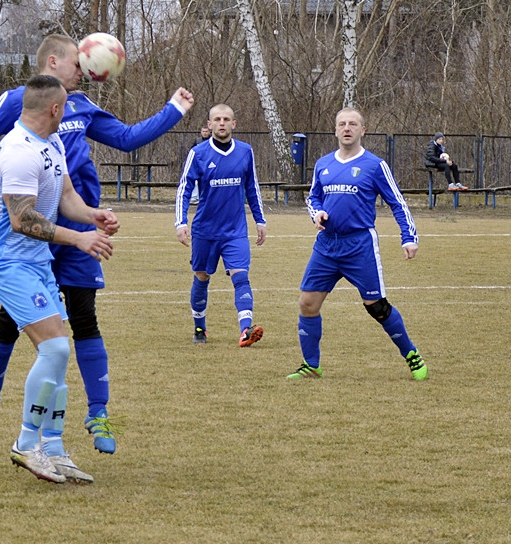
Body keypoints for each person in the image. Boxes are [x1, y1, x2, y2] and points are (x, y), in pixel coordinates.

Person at [0, 34, 194, 455]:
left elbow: (126, 138)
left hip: (76, 227)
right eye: (79, 62)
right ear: (53, 62)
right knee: (12, 323)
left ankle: (95, 413)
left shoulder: (79, 108)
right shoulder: (21, 102)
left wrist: (173, 110)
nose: (86, 70)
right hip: (29, 235)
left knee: (83, 319)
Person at [0, 74, 119, 482]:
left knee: (58, 356)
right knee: (56, 348)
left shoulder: (52, 142)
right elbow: (22, 219)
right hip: (8, 263)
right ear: (55, 109)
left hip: (37, 262)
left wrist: (93, 216)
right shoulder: (18, 151)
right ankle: (26, 444)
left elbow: (66, 197)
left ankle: (54, 448)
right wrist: (78, 238)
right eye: (66, 107)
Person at [287, 106, 427, 381]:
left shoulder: (375, 165)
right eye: (342, 124)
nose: (347, 128)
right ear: (335, 130)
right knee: (307, 303)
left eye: (352, 124)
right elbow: (313, 198)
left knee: (376, 306)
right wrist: (317, 213)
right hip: (326, 245)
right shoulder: (323, 164)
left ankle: (411, 354)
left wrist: (409, 237)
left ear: (363, 130)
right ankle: (311, 365)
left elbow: (397, 203)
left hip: (359, 245)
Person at [175, 104, 267, 347]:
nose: (222, 123)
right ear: (210, 124)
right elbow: (184, 189)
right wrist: (181, 222)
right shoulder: (198, 153)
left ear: (234, 124)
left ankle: (246, 330)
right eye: (217, 119)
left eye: (226, 119)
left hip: (235, 231)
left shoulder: (245, 151)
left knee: (241, 276)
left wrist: (260, 220)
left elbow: (252, 188)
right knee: (201, 277)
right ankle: (199, 328)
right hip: (205, 231)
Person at [188, 126, 211, 205]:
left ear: (209, 132)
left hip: (209, 164)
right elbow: (192, 151)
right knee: (195, 180)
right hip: (199, 163)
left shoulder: (212, 141)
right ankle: (194, 198)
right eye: (203, 131)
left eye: (206, 131)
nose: (204, 133)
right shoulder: (197, 141)